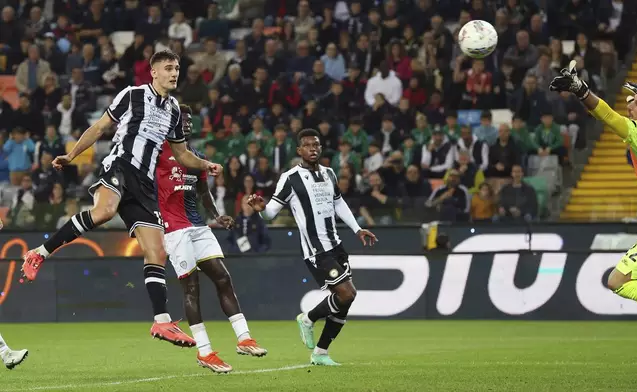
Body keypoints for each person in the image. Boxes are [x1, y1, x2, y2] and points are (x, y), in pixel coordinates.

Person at [21, 50, 223, 348]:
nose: (174, 72)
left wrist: (205, 165)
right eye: (168, 68)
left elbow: (180, 153)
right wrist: (72, 155)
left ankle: (162, 322)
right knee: (103, 212)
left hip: (145, 183)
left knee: (157, 252)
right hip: (120, 165)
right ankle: (39, 252)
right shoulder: (132, 95)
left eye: (177, 68)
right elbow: (100, 127)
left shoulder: (176, 110)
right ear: (153, 72)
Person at [247, 128, 377, 366]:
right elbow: (271, 213)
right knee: (346, 293)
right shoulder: (290, 178)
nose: (313, 149)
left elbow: (340, 204)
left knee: (348, 299)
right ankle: (307, 318)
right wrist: (261, 210)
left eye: (316, 145)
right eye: (307, 146)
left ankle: (320, 352)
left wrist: (357, 229)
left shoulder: (329, 173)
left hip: (336, 245)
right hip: (316, 250)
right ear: (299, 151)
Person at [156, 105, 266, 374]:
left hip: (198, 225)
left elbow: (204, 193)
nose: (187, 124)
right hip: (174, 228)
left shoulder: (198, 157)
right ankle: (205, 351)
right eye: (181, 119)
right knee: (191, 288)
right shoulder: (157, 154)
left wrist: (217, 216)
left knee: (223, 278)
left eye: (190, 120)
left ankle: (244, 338)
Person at [549, 62, 637, 305]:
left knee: (617, 281)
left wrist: (581, 90)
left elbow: (609, 116)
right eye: (632, 99)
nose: (630, 104)